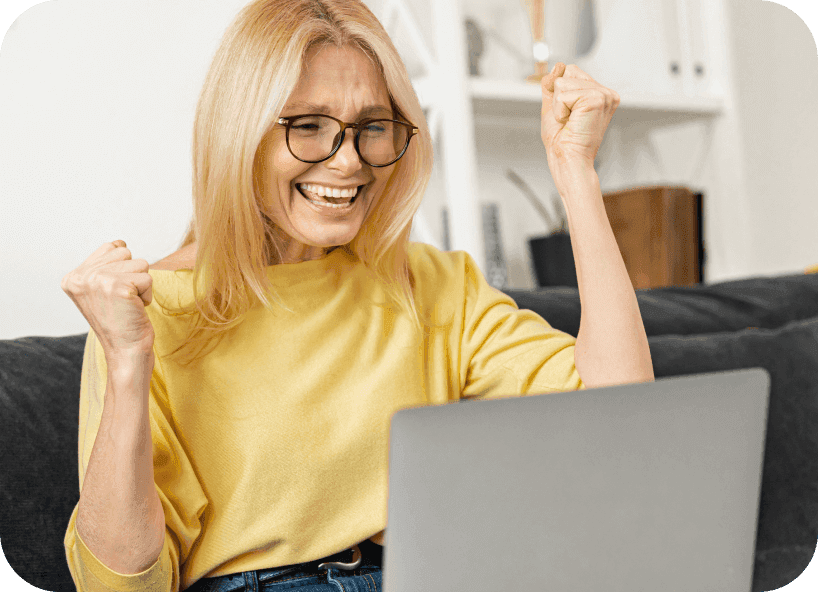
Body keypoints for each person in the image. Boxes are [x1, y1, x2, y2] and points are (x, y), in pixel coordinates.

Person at [60, 1, 654, 591]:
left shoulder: (428, 283)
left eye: (372, 127)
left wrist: (575, 170)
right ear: (240, 133)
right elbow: (121, 586)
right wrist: (127, 361)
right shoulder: (145, 311)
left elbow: (622, 415)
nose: (349, 162)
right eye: (308, 126)